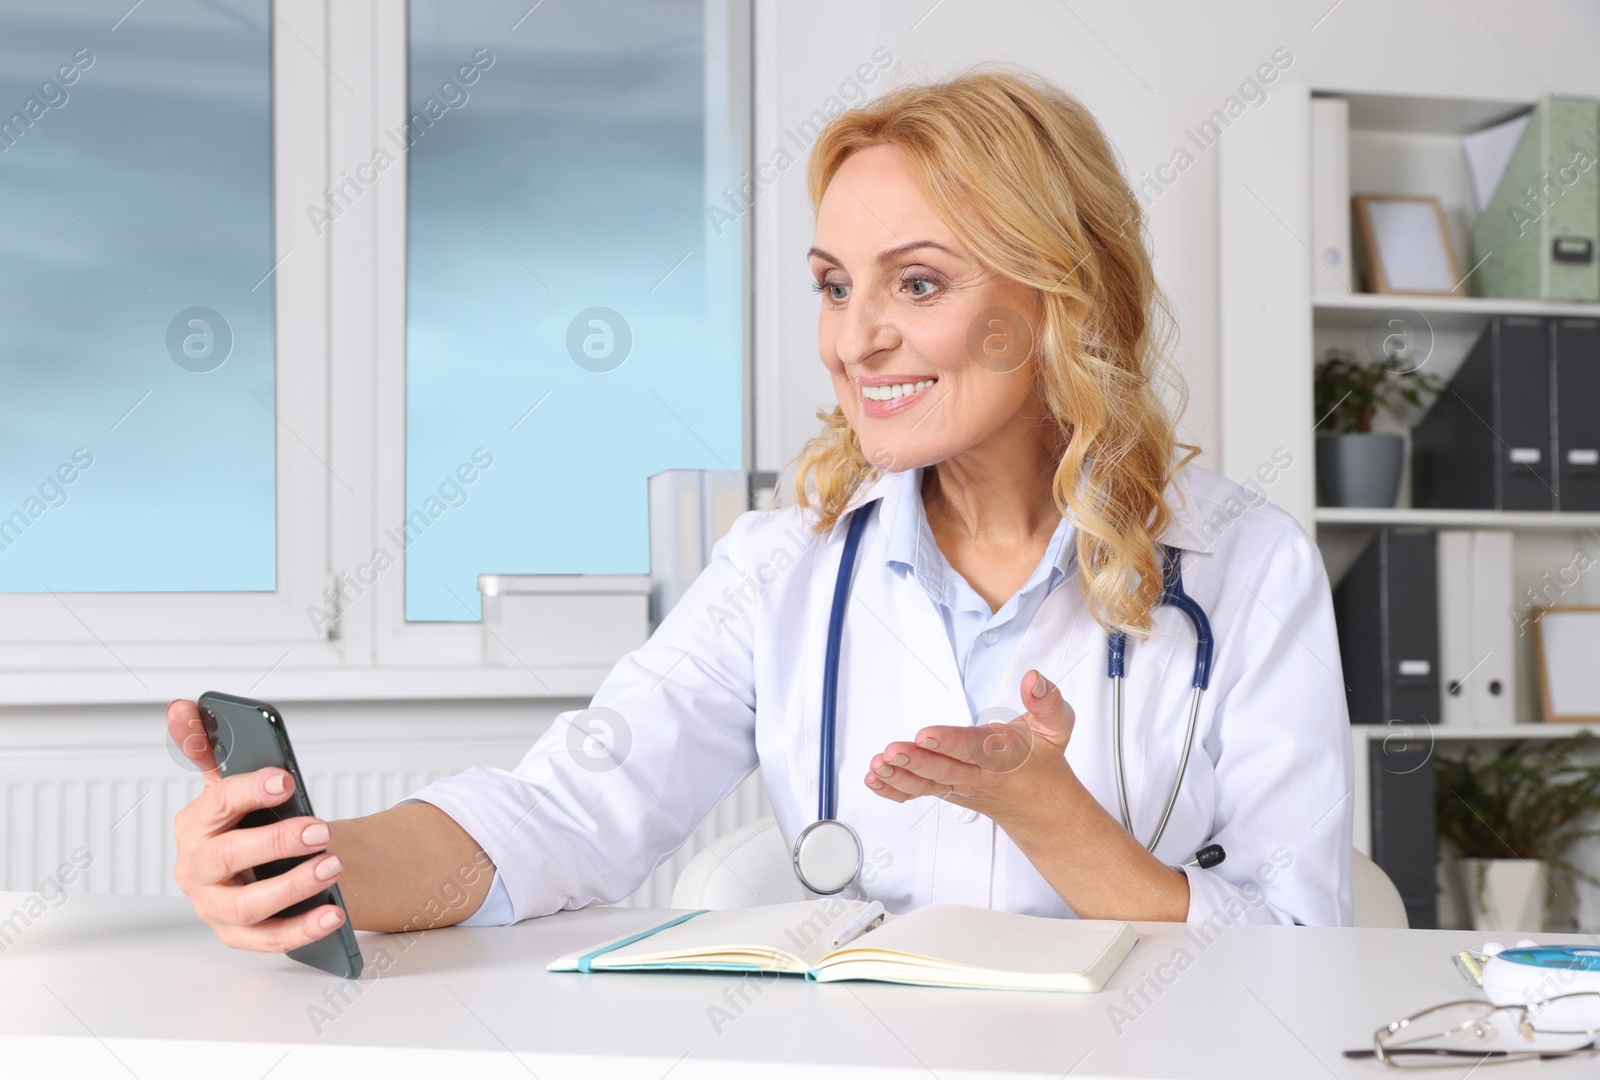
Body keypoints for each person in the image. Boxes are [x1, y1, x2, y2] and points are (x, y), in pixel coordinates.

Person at [166, 66, 1352, 956]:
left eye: (918, 282)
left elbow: (1301, 953)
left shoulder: (1244, 569)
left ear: (1056, 299)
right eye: (834, 285)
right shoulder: (786, 564)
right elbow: (571, 812)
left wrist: (1057, 821)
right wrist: (317, 861)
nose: (854, 337)